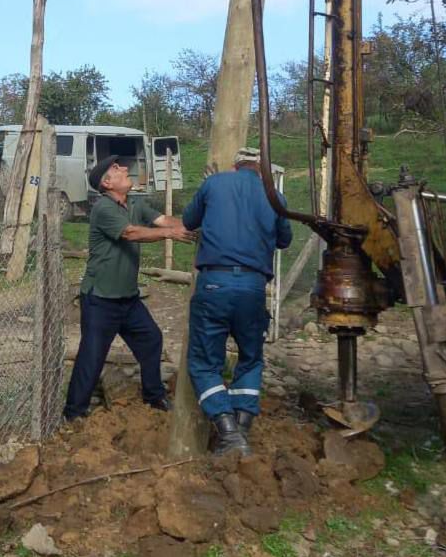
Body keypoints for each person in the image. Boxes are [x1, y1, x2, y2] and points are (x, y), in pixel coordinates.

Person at [63, 155, 193, 421]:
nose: (124, 168)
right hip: (100, 299)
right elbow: (131, 233)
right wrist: (170, 235)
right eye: (116, 168)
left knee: (151, 339)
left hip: (128, 300)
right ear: (107, 182)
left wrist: (193, 225)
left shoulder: (134, 203)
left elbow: (164, 221)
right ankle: (74, 414)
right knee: (92, 356)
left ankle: (154, 397)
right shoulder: (103, 208)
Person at [182, 147, 293, 456]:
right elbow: (285, 240)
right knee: (251, 357)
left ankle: (228, 433)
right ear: (262, 169)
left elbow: (189, 221)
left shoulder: (214, 183)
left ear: (235, 166)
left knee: (204, 362)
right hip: (253, 288)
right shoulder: (275, 196)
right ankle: (241, 428)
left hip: (214, 284)